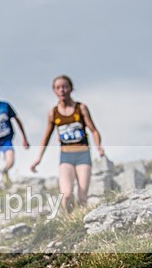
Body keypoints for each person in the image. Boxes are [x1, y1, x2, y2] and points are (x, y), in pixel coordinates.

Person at [30, 75, 105, 211]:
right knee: (66, 195)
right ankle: (68, 219)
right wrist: (38, 158)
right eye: (58, 88)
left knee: (82, 196)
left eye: (65, 87)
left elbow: (94, 130)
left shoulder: (81, 108)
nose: (62, 90)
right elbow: (46, 137)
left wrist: (99, 147)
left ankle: (81, 220)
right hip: (66, 156)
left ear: (71, 88)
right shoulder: (53, 113)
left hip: (83, 154)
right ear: (54, 90)